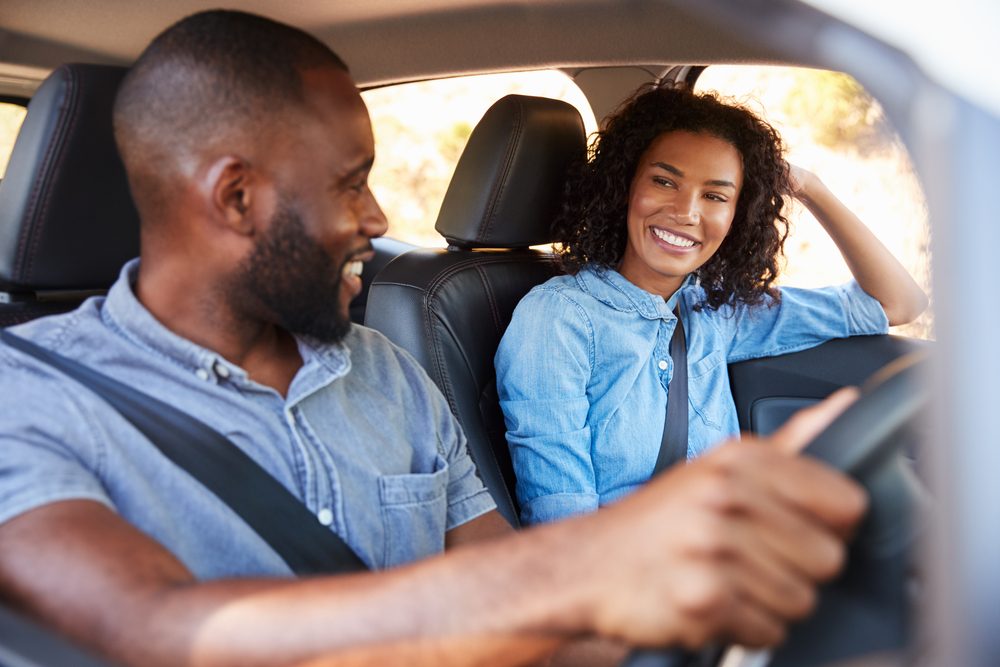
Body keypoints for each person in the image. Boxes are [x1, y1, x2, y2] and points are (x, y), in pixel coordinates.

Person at [0, 11, 868, 667]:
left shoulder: (386, 371)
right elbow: (158, 625)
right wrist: (595, 564)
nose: (379, 222)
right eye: (350, 186)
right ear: (236, 199)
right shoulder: (28, 397)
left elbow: (517, 602)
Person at [496, 85, 927, 526]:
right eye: (664, 181)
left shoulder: (715, 310)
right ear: (626, 187)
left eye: (715, 196)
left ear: (738, 216)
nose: (686, 212)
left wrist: (811, 189)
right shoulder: (557, 319)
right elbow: (563, 525)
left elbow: (898, 302)